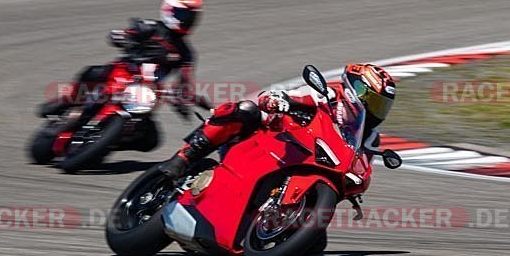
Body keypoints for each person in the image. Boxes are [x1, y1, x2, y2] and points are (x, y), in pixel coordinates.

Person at [158, 63, 396, 179]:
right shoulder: (331, 94)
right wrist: (279, 101)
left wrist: (357, 180)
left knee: (314, 243)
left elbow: (362, 168)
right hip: (283, 135)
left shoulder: (370, 135)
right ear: (355, 88)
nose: (374, 109)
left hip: (311, 165)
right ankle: (184, 157)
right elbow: (297, 95)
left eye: (381, 105)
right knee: (244, 110)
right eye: (372, 100)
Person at [38, 0, 210, 117]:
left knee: (150, 139)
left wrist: (190, 101)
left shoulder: (186, 53)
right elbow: (127, 33)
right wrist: (121, 37)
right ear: (169, 11)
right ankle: (67, 100)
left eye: (191, 17)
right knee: (90, 72)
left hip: (149, 90)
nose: (186, 21)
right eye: (183, 15)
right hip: (124, 71)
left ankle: (112, 139)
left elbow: (185, 81)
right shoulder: (150, 27)